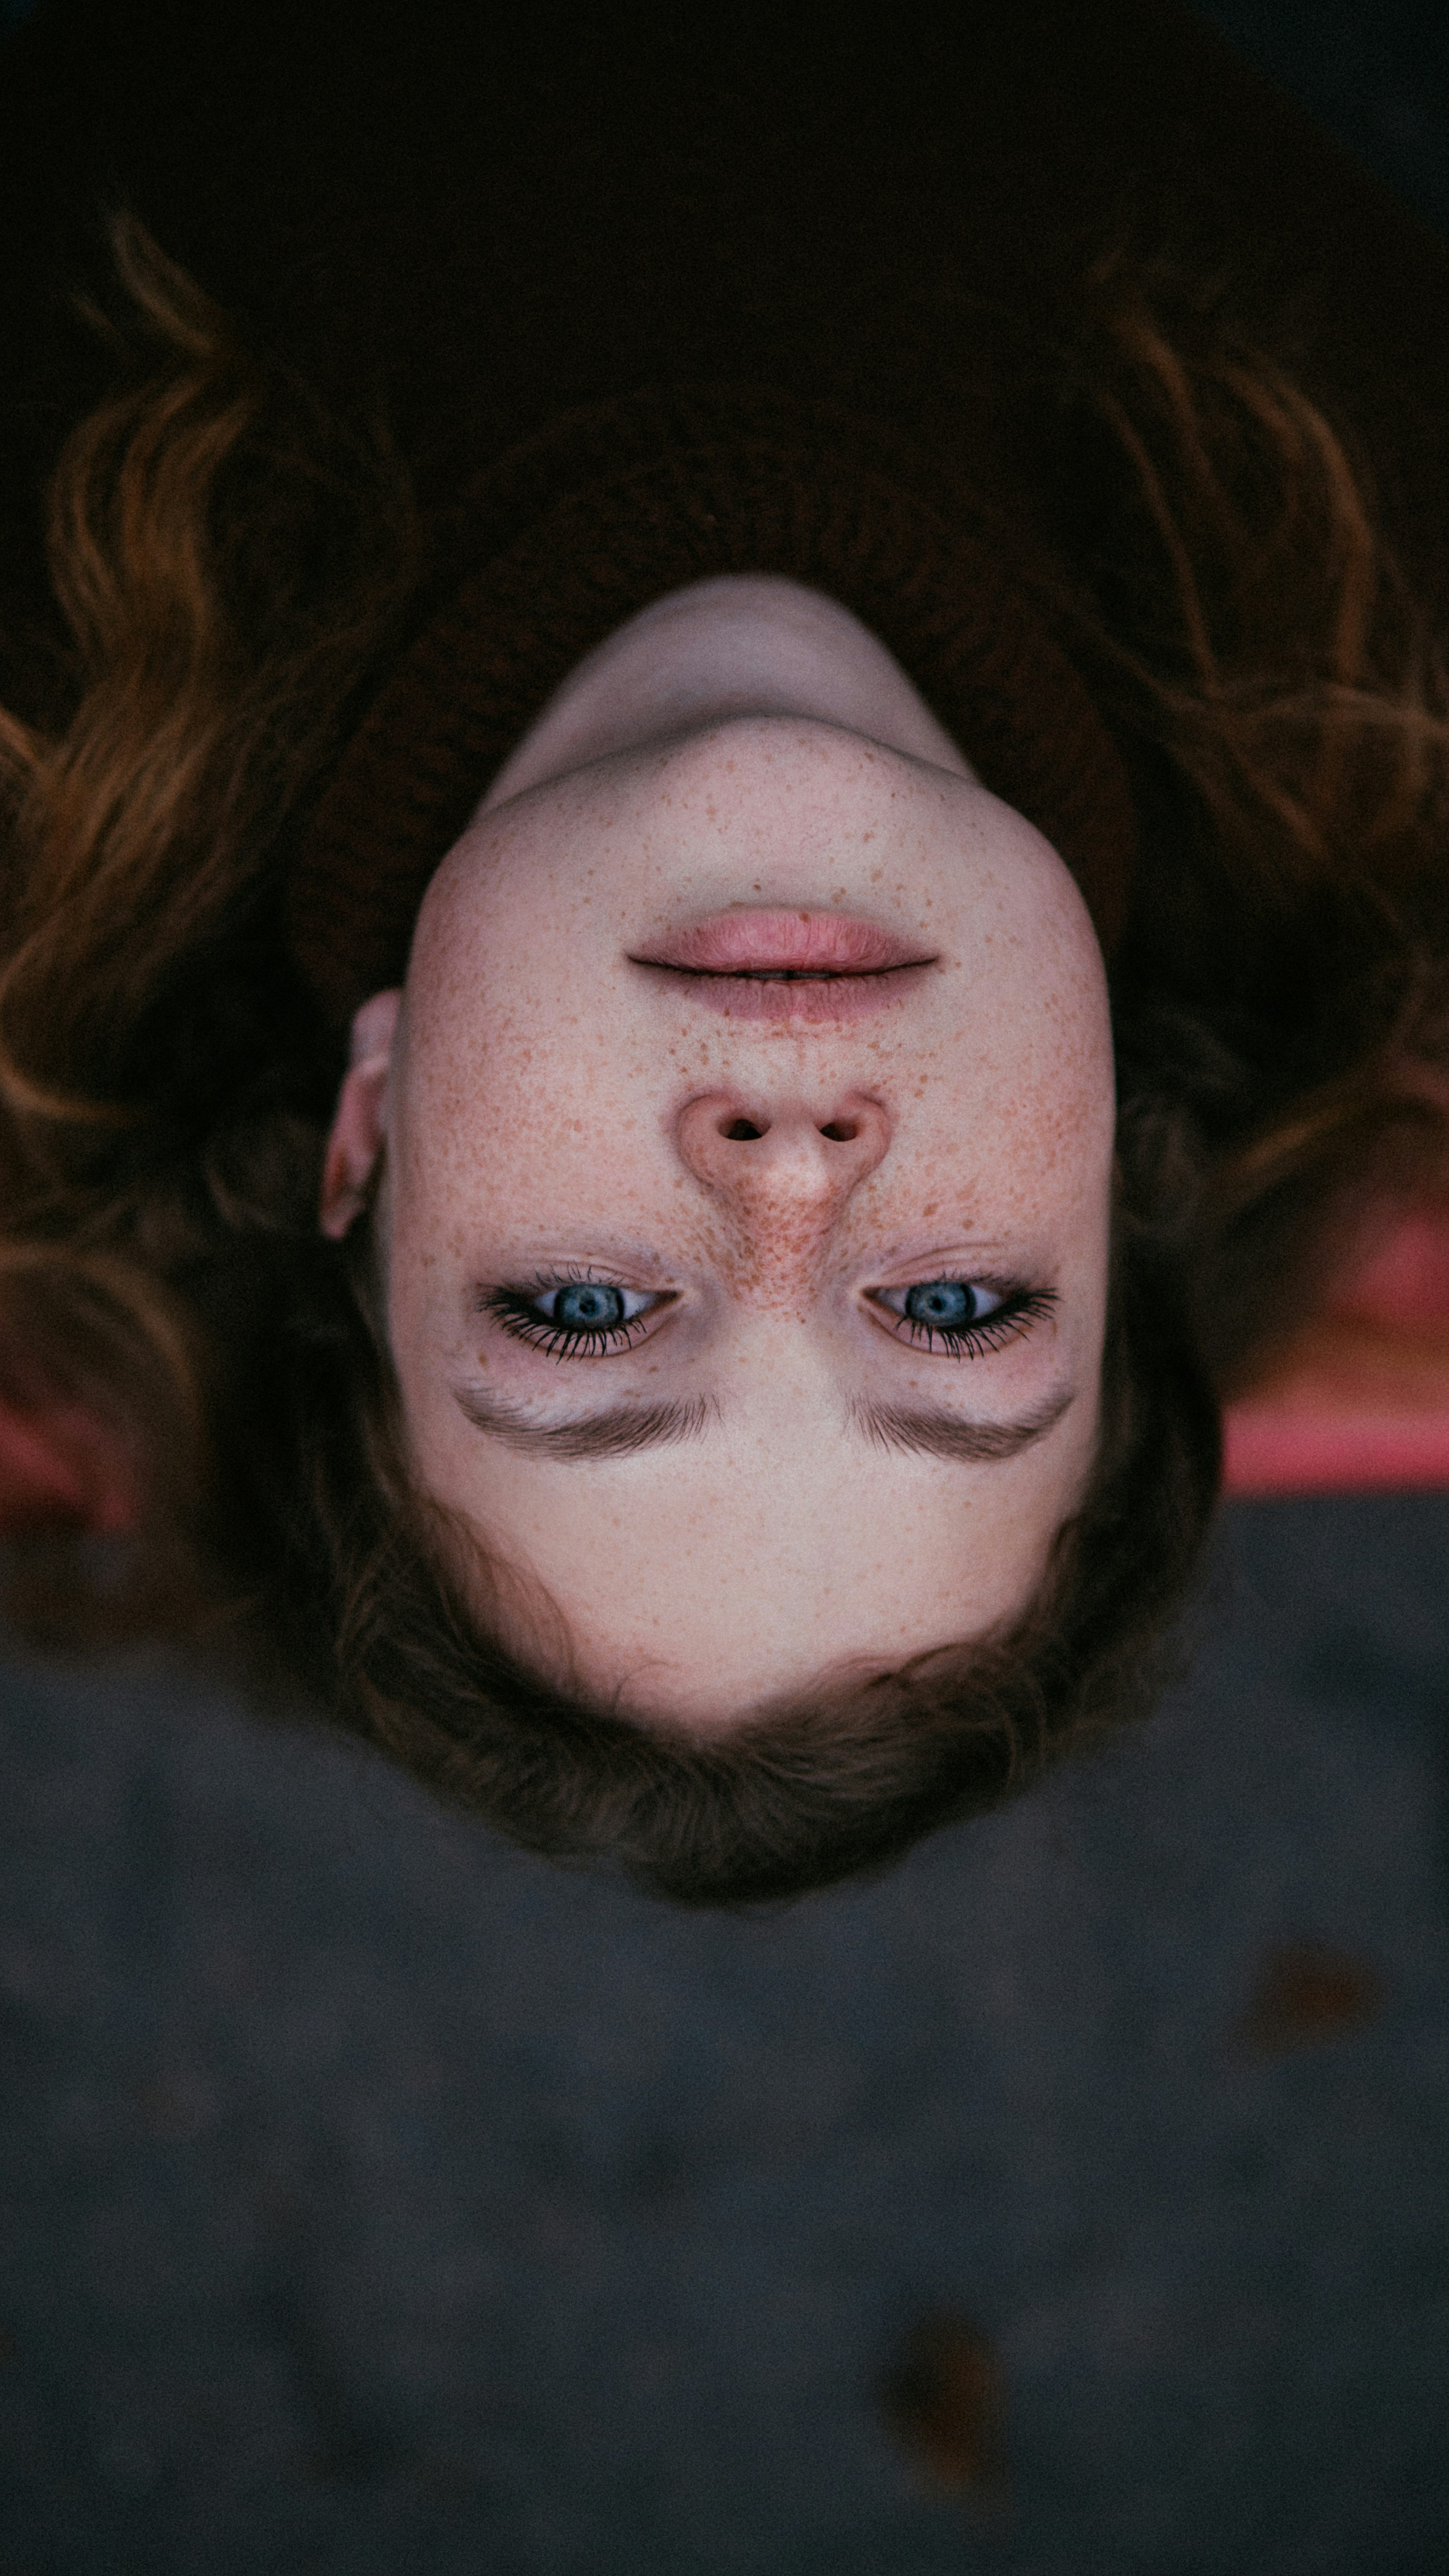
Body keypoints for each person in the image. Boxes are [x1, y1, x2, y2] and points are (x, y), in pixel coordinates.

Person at [1, 0, 1448, 1899]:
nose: (786, 1182)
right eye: (956, 1310)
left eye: (583, 1313)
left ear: (366, 1135)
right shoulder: (1397, 618)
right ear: (1116, 1173)